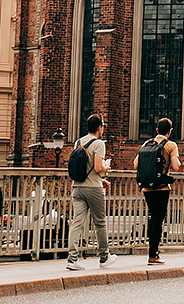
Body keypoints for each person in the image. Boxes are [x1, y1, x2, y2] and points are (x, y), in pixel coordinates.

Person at [63, 114, 109, 271]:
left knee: (77, 222)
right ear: (99, 128)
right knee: (100, 222)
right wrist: (106, 167)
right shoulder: (99, 144)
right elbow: (97, 168)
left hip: (77, 187)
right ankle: (104, 257)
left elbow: (83, 166)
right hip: (94, 189)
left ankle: (72, 259)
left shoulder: (78, 142)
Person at [136, 117, 179, 266]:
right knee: (158, 220)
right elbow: (176, 166)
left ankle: (152, 251)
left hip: (147, 187)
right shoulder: (171, 145)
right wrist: (178, 160)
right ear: (170, 131)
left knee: (152, 217)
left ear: (156, 130)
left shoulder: (146, 143)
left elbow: (136, 163)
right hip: (162, 187)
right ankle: (153, 254)